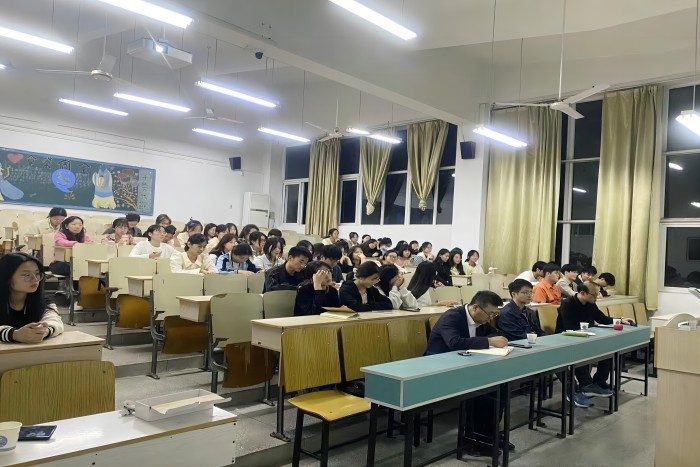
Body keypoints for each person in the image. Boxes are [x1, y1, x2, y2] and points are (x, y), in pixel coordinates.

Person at [424, 291, 508, 453]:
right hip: (439, 367)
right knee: (484, 389)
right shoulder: (452, 317)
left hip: (465, 365)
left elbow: (495, 332)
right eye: (490, 314)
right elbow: (454, 343)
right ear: (475, 308)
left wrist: (494, 338)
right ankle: (474, 440)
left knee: (501, 385)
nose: (491, 318)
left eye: (495, 314)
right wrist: (489, 341)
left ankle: (489, 435)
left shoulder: (481, 319)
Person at [556, 282, 635, 398]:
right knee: (579, 351)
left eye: (597, 294)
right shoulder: (567, 304)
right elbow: (570, 327)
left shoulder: (591, 304)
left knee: (609, 349)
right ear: (583, 293)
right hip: (567, 338)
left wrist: (620, 320)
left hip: (587, 337)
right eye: (594, 295)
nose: (596, 297)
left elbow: (602, 318)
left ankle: (599, 381)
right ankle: (586, 384)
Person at [0, 253, 64, 343]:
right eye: (27, 275)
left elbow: (55, 321)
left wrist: (44, 331)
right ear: (7, 278)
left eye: (37, 274)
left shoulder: (43, 301)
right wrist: (15, 335)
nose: (35, 279)